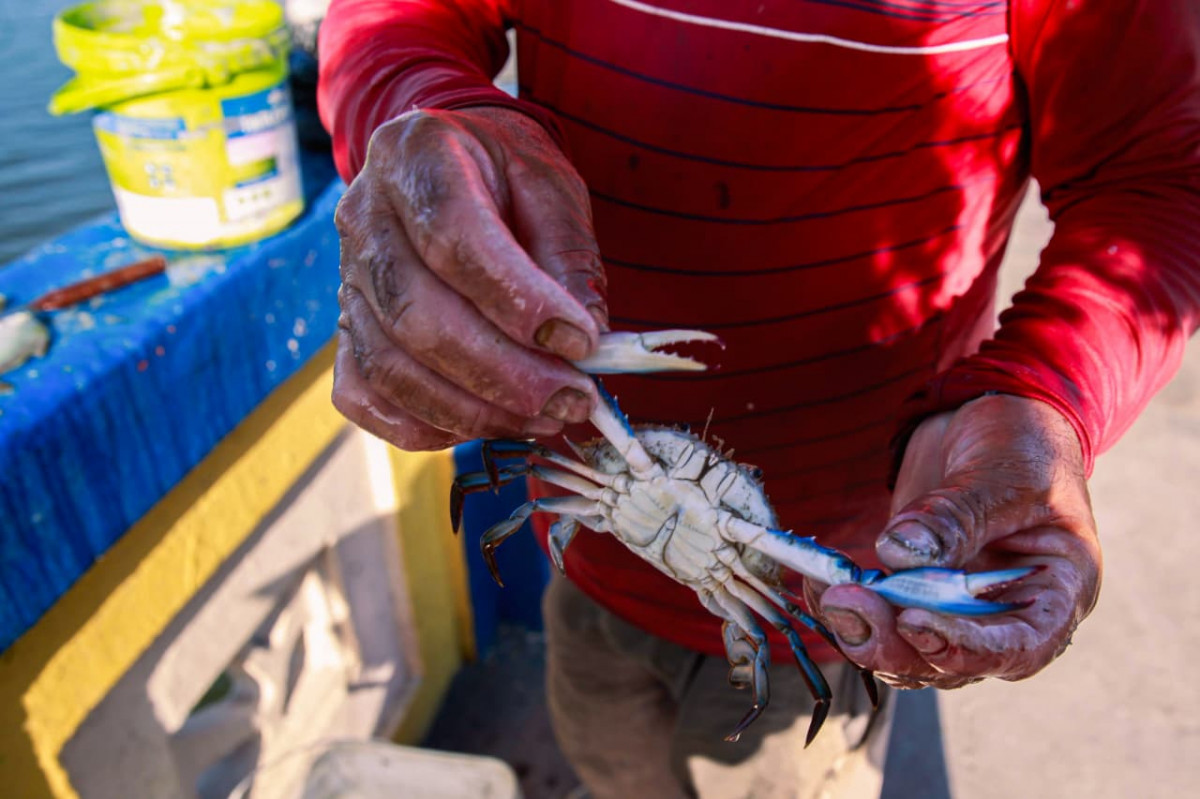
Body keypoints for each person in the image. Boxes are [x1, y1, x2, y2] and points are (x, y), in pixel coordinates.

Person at [317, 1, 1200, 796]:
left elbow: (1157, 176)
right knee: (609, 758)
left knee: (780, 736)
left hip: (821, 593)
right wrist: (417, 112)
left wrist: (1043, 391)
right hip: (584, 555)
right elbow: (404, 13)